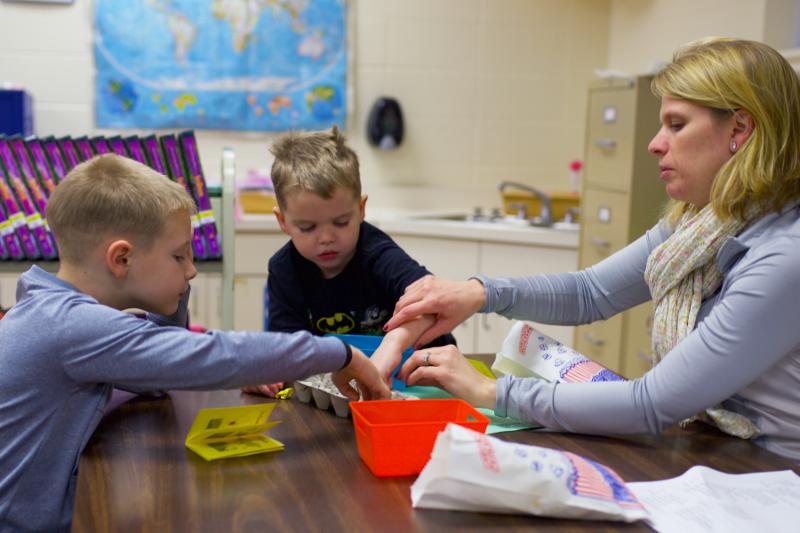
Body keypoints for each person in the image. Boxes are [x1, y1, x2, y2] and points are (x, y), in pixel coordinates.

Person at [387, 37, 800, 462]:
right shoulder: (700, 224)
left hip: (773, 473)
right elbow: (590, 292)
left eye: (676, 125)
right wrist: (479, 293)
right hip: (717, 451)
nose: (655, 144)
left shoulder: (784, 258)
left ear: (739, 129)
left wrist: (491, 391)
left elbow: (651, 403)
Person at [0, 154, 390, 532]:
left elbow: (153, 377)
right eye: (179, 256)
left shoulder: (50, 311)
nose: (191, 271)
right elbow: (214, 357)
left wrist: (172, 292)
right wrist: (340, 353)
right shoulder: (73, 326)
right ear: (121, 259)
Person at [248, 126, 456, 396]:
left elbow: (433, 300)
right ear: (282, 221)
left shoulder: (377, 254)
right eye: (307, 227)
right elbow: (287, 347)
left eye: (341, 222)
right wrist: (269, 372)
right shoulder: (283, 269)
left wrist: (393, 344)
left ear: (360, 209)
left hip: (422, 377)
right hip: (338, 388)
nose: (326, 238)